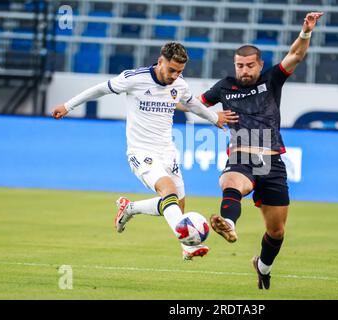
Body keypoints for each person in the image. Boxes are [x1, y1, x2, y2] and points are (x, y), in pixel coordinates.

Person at [52, 42, 238, 261]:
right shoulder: (134, 78)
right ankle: (187, 247)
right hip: (141, 151)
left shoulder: (180, 85)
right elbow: (100, 89)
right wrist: (68, 105)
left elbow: (192, 104)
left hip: (167, 151)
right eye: (171, 70)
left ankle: (129, 208)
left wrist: (214, 118)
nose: (174, 76)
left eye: (179, 72)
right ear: (160, 61)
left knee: (177, 204)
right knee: (168, 192)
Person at [197, 12, 324, 289]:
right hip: (241, 154)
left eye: (249, 65)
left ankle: (262, 266)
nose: (244, 70)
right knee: (231, 182)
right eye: (240, 65)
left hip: (272, 161)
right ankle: (229, 224)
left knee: (276, 231)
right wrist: (212, 116)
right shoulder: (224, 87)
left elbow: (296, 55)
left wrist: (305, 32)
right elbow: (191, 103)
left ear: (260, 64)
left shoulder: (271, 79)